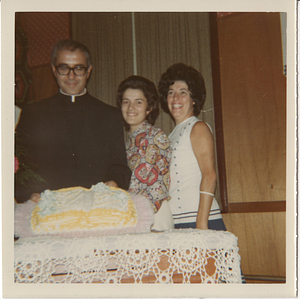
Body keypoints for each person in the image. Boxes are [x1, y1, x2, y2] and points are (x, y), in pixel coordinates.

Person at [15, 40, 131, 203]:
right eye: (64, 68)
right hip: (47, 208)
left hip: (96, 207)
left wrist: (114, 182)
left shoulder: (109, 115)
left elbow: (119, 166)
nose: (71, 76)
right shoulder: (32, 114)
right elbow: (20, 167)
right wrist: (30, 193)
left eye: (78, 68)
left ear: (88, 71)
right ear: (54, 70)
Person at [158, 63, 226, 230]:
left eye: (183, 93)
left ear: (194, 99)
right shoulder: (170, 136)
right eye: (171, 93)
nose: (175, 99)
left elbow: (209, 176)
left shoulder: (198, 127)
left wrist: (201, 224)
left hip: (199, 220)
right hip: (177, 221)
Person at [116, 75, 173, 230]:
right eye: (126, 101)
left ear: (149, 108)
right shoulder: (128, 143)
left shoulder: (155, 137)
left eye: (138, 102)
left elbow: (157, 188)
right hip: (135, 216)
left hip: (154, 217)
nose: (130, 107)